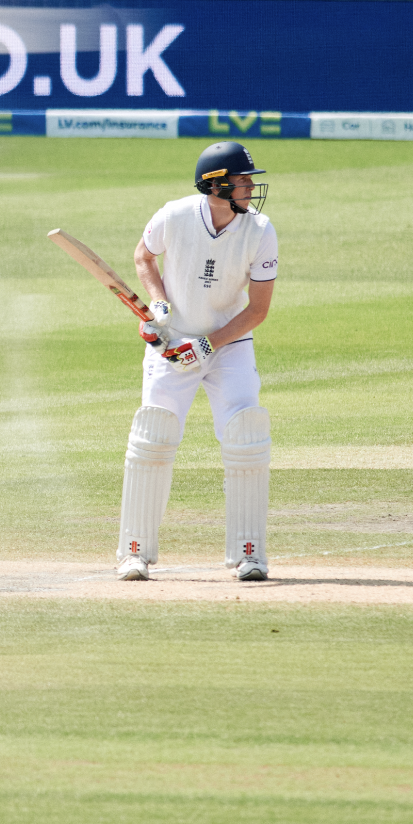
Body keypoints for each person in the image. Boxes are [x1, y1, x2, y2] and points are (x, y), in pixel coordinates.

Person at [113, 141, 278, 584]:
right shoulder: (175, 214)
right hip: (172, 344)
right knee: (154, 435)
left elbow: (257, 310)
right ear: (217, 185)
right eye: (242, 181)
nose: (249, 188)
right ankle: (135, 553)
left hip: (230, 345)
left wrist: (208, 346)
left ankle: (249, 553)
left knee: (246, 435)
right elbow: (143, 256)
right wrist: (160, 305)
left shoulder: (260, 230)